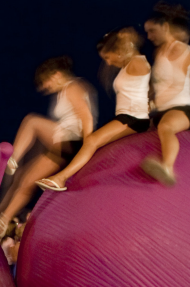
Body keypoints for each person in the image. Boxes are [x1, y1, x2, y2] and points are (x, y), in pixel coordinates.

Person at [0, 56, 97, 238]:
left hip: (71, 141)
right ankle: (2, 222)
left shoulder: (73, 87)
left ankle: (13, 159)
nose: (44, 88)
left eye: (45, 82)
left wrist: (88, 146)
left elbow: (86, 117)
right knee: (26, 181)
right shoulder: (65, 90)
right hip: (62, 146)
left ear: (56, 75)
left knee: (31, 121)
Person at [37, 27, 151, 192]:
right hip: (127, 117)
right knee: (94, 143)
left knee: (91, 141)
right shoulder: (128, 65)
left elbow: (136, 59)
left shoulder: (138, 62)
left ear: (119, 50)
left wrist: (124, 39)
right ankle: (66, 175)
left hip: (134, 119)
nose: (108, 62)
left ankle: (60, 178)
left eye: (107, 57)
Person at [138, 2, 190, 186]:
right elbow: (155, 86)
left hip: (183, 110)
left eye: (152, 31)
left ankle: (167, 168)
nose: (149, 36)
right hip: (159, 111)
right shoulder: (159, 53)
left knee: (166, 127)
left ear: (165, 27)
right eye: (147, 32)